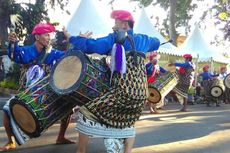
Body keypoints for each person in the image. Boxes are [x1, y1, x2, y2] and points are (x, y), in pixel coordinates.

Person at [63, 10, 160, 153]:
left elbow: (92, 46)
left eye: (116, 23)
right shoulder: (144, 39)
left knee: (85, 112)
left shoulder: (115, 38)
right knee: (128, 120)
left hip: (122, 93)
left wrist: (72, 38)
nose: (114, 26)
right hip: (141, 97)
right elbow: (156, 42)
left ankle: (81, 151)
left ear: (125, 25)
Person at [0, 23, 74, 151]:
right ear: (37, 37)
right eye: (46, 35)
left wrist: (72, 41)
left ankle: (61, 137)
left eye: (49, 35)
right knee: (7, 110)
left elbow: (67, 56)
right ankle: (11, 141)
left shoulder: (53, 52)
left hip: (46, 90)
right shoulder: (26, 50)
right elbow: (14, 55)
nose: (49, 38)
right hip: (27, 90)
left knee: (67, 108)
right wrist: (13, 43)